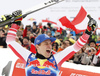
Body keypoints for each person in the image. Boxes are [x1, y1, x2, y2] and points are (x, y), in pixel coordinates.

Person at [5, 10, 97, 76]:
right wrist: (16, 23)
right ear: (37, 46)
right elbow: (10, 41)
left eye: (50, 43)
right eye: (46, 43)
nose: (50, 46)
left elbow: (75, 47)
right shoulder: (28, 57)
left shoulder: (56, 59)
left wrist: (88, 32)